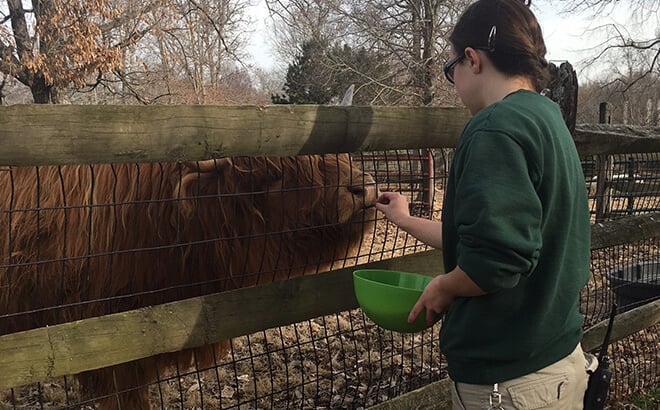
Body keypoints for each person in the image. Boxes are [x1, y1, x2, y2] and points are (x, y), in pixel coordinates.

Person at [375, 1, 595, 409]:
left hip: (510, 386)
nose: (453, 79)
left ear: (472, 60)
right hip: (557, 362)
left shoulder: (495, 128)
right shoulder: (546, 119)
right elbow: (494, 238)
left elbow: (496, 259)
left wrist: (444, 286)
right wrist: (405, 220)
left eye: (451, 68)